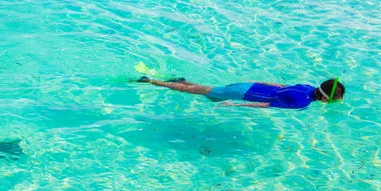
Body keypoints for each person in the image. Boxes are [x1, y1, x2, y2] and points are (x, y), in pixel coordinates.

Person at [137, 76, 345, 109]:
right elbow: (265, 105)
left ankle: (182, 80)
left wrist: (250, 81)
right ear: (324, 98)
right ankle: (153, 81)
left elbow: (276, 85)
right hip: (243, 95)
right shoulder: (302, 102)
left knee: (207, 90)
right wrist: (235, 105)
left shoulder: (306, 87)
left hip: (247, 86)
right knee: (197, 92)